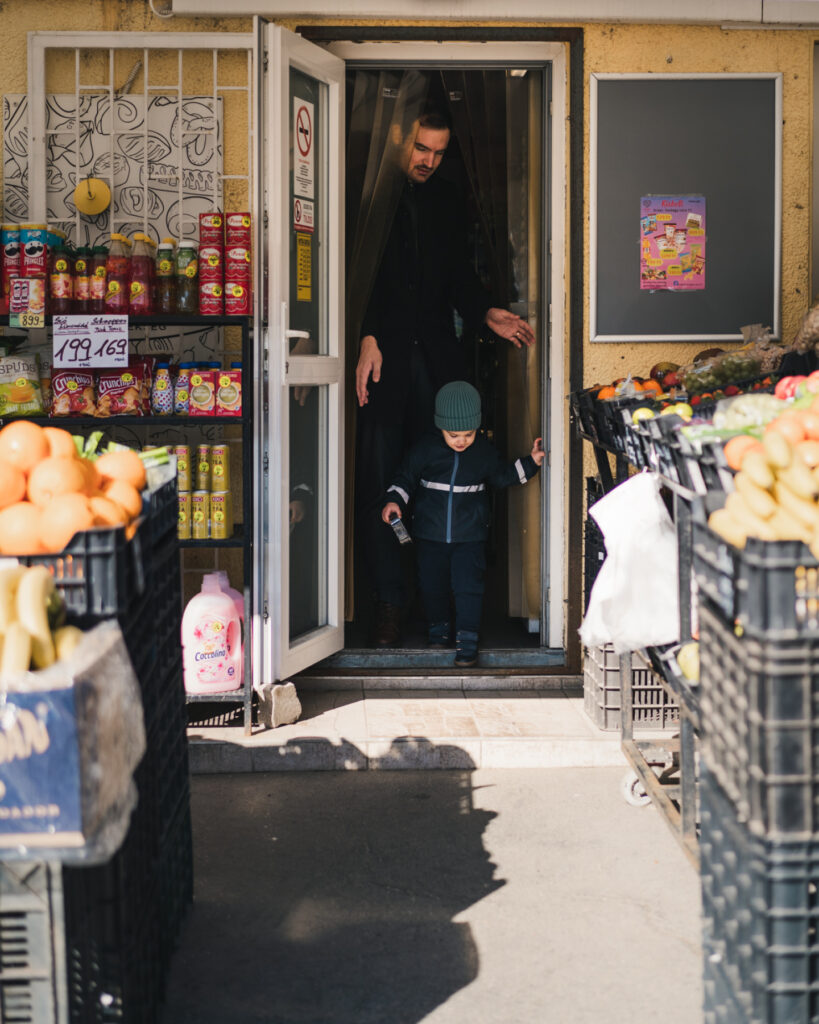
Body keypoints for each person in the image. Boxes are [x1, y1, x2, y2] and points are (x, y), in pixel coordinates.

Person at [355, 107, 535, 646]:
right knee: (384, 485)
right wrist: (366, 335)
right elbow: (355, 277)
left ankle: (442, 605)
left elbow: (458, 275)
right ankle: (389, 603)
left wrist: (485, 312)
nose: (429, 161)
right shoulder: (368, 196)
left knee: (444, 481)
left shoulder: (447, 199)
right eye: (421, 149)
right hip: (383, 363)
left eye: (438, 152)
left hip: (437, 365)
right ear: (397, 137)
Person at [380, 381, 543, 667]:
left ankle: (467, 641)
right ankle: (438, 632)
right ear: (440, 426)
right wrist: (394, 501)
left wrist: (531, 462)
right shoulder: (425, 450)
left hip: (470, 537)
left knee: (469, 588)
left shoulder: (483, 453)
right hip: (430, 535)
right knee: (432, 586)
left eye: (469, 434)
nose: (461, 441)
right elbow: (405, 477)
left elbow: (502, 475)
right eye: (453, 435)